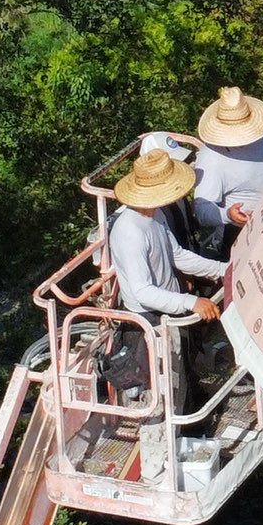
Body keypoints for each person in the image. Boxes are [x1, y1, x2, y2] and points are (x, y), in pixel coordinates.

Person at [103, 150, 226, 407]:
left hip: (169, 310)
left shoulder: (154, 215)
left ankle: (192, 417)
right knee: (166, 389)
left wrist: (220, 269)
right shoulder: (130, 232)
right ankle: (178, 429)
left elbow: (176, 255)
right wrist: (191, 303)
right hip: (150, 320)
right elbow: (142, 292)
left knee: (183, 373)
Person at [188, 86, 263, 249]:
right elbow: (202, 209)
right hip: (242, 233)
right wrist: (228, 215)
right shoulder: (211, 159)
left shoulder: (262, 136)